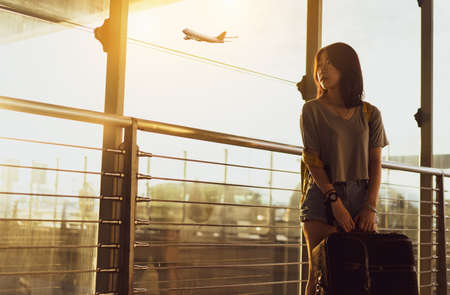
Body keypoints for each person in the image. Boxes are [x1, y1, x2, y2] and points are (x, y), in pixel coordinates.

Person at [299, 42, 388, 295]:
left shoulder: (371, 113)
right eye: (319, 65)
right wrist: (334, 201)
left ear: (346, 67)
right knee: (317, 276)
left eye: (329, 63)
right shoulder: (311, 110)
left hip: (362, 198)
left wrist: (369, 207)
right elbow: (312, 160)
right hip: (322, 197)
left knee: (365, 273)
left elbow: (375, 164)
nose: (322, 70)